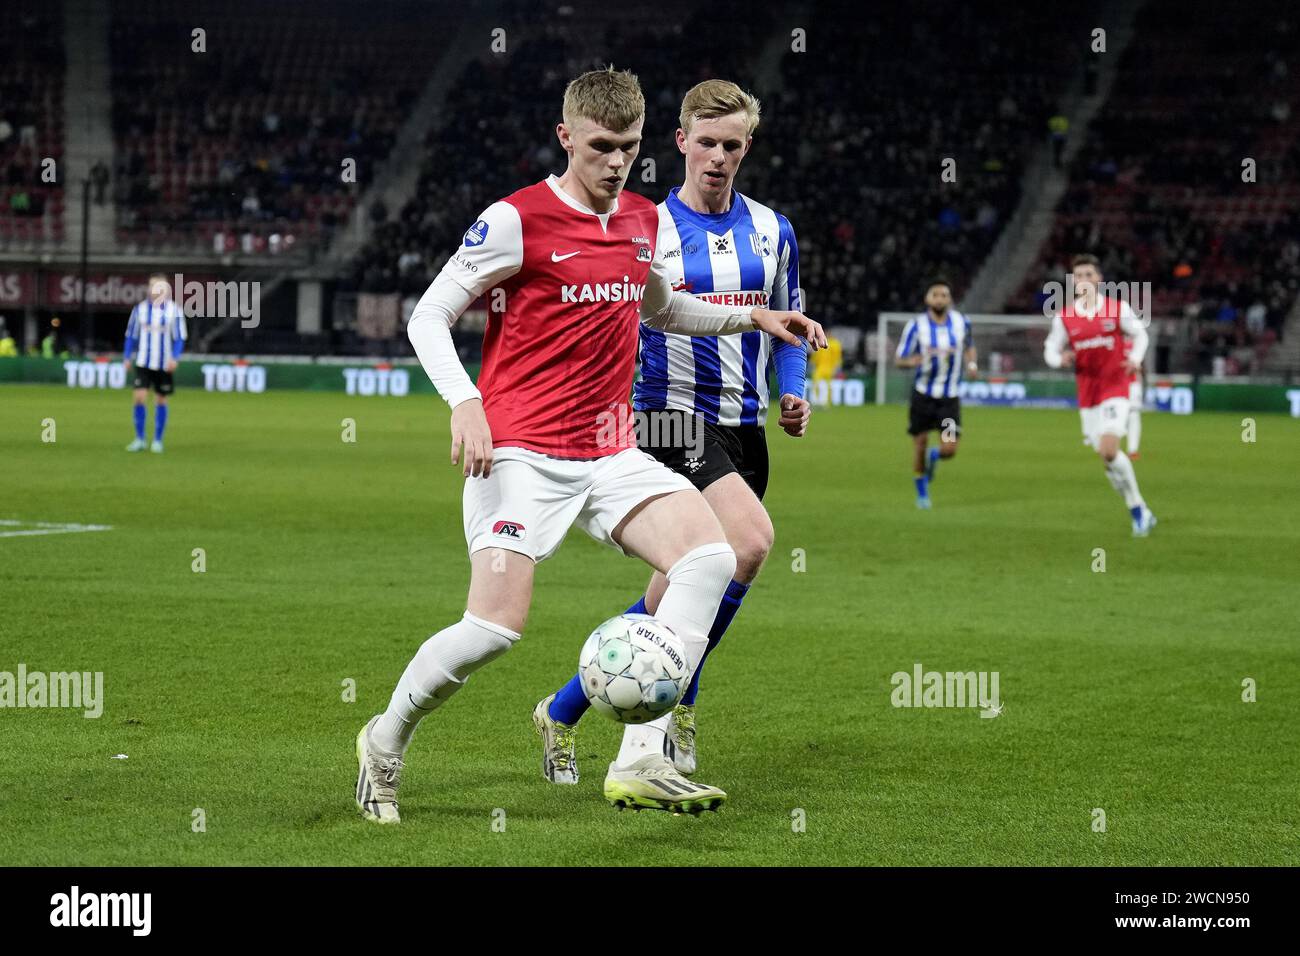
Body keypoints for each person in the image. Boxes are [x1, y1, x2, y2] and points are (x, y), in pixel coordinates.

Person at [353, 67, 824, 823]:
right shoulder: (516, 220)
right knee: (492, 631)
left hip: (610, 452)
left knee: (711, 556)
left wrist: (756, 320)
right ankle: (384, 737)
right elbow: (428, 316)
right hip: (518, 457)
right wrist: (466, 404)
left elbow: (668, 312)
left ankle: (643, 757)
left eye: (628, 149)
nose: (615, 164)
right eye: (601, 146)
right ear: (567, 137)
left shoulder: (642, 220)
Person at [533, 79, 812, 787]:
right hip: (665, 415)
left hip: (743, 425)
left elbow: (789, 324)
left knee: (681, 583)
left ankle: (561, 711)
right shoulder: (645, 226)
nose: (718, 156)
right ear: (681, 142)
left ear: (748, 146)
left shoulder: (774, 230)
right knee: (749, 543)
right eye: (707, 142)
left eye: (733, 144)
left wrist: (793, 392)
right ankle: (675, 708)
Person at [1044, 254, 1155, 535]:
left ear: (1099, 280)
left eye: (1088, 275)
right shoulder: (1065, 317)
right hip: (1088, 394)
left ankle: (1138, 510)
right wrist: (1060, 360)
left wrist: (1136, 359)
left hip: (1116, 386)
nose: (1083, 280)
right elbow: (1050, 349)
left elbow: (1141, 334)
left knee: (1109, 449)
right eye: (1078, 276)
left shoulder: (1117, 309)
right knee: (1107, 459)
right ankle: (1141, 509)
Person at [894, 280, 976, 509]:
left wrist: (972, 365)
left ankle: (935, 456)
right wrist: (912, 361)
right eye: (936, 294)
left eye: (944, 295)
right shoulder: (916, 326)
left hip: (949, 398)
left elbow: (969, 346)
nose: (940, 298)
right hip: (923, 395)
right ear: (927, 299)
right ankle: (921, 493)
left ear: (950, 299)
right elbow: (899, 359)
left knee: (949, 449)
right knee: (919, 443)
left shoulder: (962, 323)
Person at [124, 274, 188, 453]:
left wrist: (175, 358)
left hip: (163, 363)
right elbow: (131, 335)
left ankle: (158, 440)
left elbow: (180, 338)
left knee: (160, 399)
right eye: (154, 287)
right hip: (144, 361)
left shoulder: (174, 310)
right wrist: (127, 356)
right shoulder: (139, 310)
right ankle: (140, 439)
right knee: (139, 397)